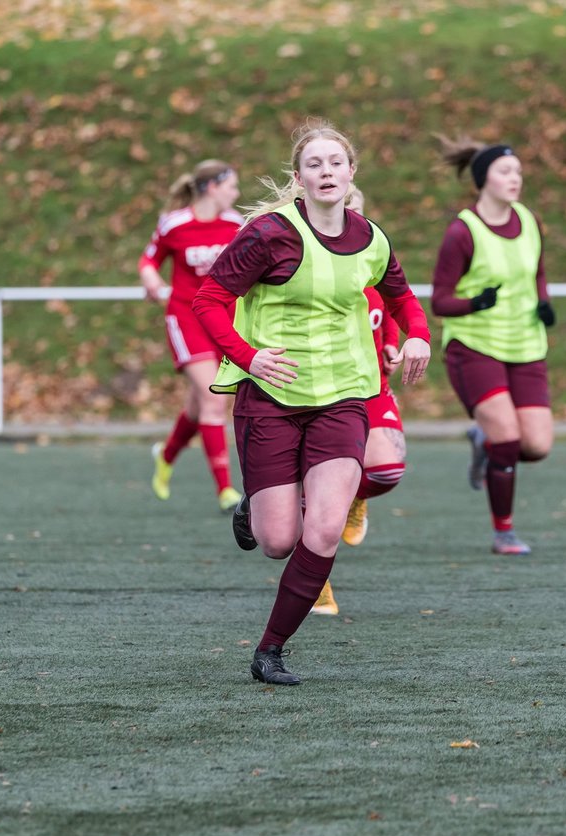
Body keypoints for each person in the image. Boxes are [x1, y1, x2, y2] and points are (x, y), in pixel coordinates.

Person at [192, 120, 431, 685]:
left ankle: (270, 649)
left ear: (352, 174)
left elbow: (403, 298)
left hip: (344, 397)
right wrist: (249, 357)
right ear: (298, 178)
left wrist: (416, 334)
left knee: (322, 530)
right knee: (278, 541)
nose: (327, 172)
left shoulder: (372, 238)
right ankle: (254, 507)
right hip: (271, 397)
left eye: (336, 163)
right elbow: (209, 300)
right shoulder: (268, 234)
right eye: (314, 164)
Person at [431, 136, 556, 556]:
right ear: (484, 179)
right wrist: (474, 303)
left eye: (519, 172)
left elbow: (536, 270)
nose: (515, 179)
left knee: (536, 446)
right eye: (506, 172)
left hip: (525, 344)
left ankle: (484, 443)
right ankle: (504, 531)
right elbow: (440, 300)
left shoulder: (530, 220)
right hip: (475, 346)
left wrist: (543, 303)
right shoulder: (462, 231)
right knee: (506, 435)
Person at [310, 186, 410, 618]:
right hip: (317, 393)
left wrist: (391, 345)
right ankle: (317, 586)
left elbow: (391, 307)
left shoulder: (372, 257)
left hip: (370, 387)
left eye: (354, 208)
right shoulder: (306, 265)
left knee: (387, 471)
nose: (346, 214)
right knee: (308, 498)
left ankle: (356, 497)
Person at [139, 160, 244, 513]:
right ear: (212, 187)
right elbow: (149, 261)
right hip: (187, 318)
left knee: (199, 405)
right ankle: (226, 491)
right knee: (215, 399)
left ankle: (166, 456)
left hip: (225, 319)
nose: (237, 193)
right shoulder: (175, 224)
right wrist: (152, 281)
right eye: (232, 186)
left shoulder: (235, 224)